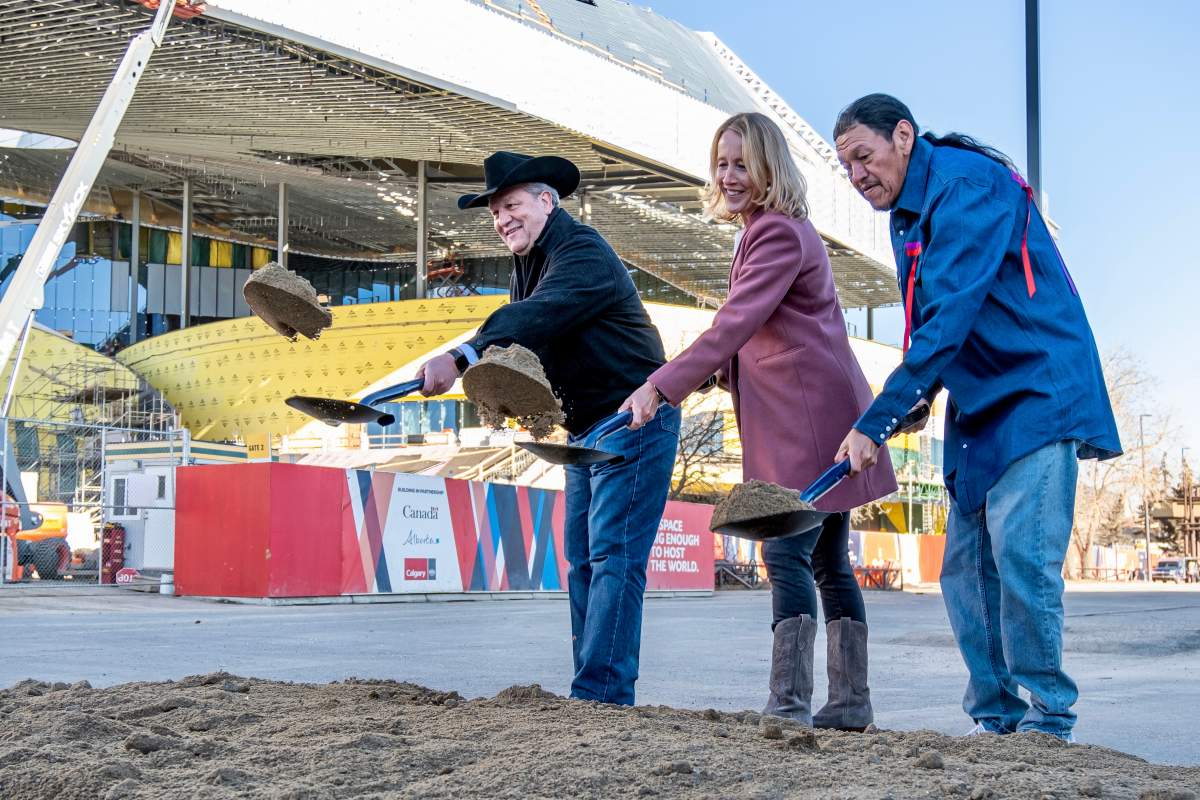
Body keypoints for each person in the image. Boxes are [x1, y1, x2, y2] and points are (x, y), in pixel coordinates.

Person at [832, 94, 1121, 741]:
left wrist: (876, 420)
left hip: (1036, 391)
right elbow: (930, 327)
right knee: (964, 571)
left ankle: (1050, 720)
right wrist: (918, 400)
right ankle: (997, 719)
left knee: (1021, 558)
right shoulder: (907, 217)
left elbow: (950, 318)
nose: (857, 175)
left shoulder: (967, 184)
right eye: (846, 165)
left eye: (864, 156)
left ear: (903, 136)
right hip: (979, 403)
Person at [621, 113, 897, 729]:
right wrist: (724, 372)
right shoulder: (768, 231)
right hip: (814, 409)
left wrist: (660, 388)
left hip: (808, 418)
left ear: (769, 167)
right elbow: (766, 330)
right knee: (827, 561)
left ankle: (789, 705)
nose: (728, 175)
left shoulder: (775, 233)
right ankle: (849, 703)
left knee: (786, 553)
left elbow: (735, 323)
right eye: (721, 163)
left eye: (742, 163)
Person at [415, 151, 680, 705]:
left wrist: (462, 355)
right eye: (493, 213)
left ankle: (600, 696)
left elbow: (535, 318)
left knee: (614, 558)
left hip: (633, 418)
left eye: (510, 205)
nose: (501, 219)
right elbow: (530, 340)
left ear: (547, 200)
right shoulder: (531, 261)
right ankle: (594, 691)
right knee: (584, 560)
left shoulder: (581, 250)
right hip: (585, 428)